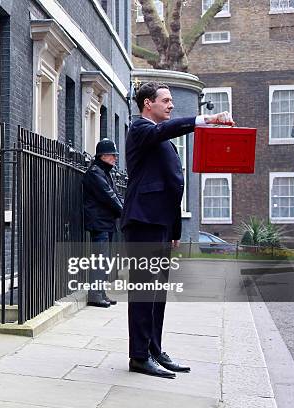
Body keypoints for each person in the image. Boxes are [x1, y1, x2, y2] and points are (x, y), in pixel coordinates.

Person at [121, 81, 233, 379]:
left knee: (157, 292)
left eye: (171, 100)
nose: (171, 105)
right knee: (144, 292)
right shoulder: (141, 129)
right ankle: (139, 356)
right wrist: (205, 120)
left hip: (159, 223)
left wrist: (174, 229)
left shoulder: (162, 140)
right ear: (148, 104)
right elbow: (164, 131)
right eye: (166, 100)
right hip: (143, 222)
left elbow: (172, 185)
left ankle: (154, 349)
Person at [82, 139, 123, 308]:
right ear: (103, 156)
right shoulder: (95, 173)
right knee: (100, 260)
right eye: (112, 155)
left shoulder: (105, 172)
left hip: (106, 222)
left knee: (105, 260)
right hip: (99, 223)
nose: (115, 158)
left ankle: (101, 292)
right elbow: (109, 196)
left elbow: (115, 194)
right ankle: (95, 294)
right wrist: (124, 211)